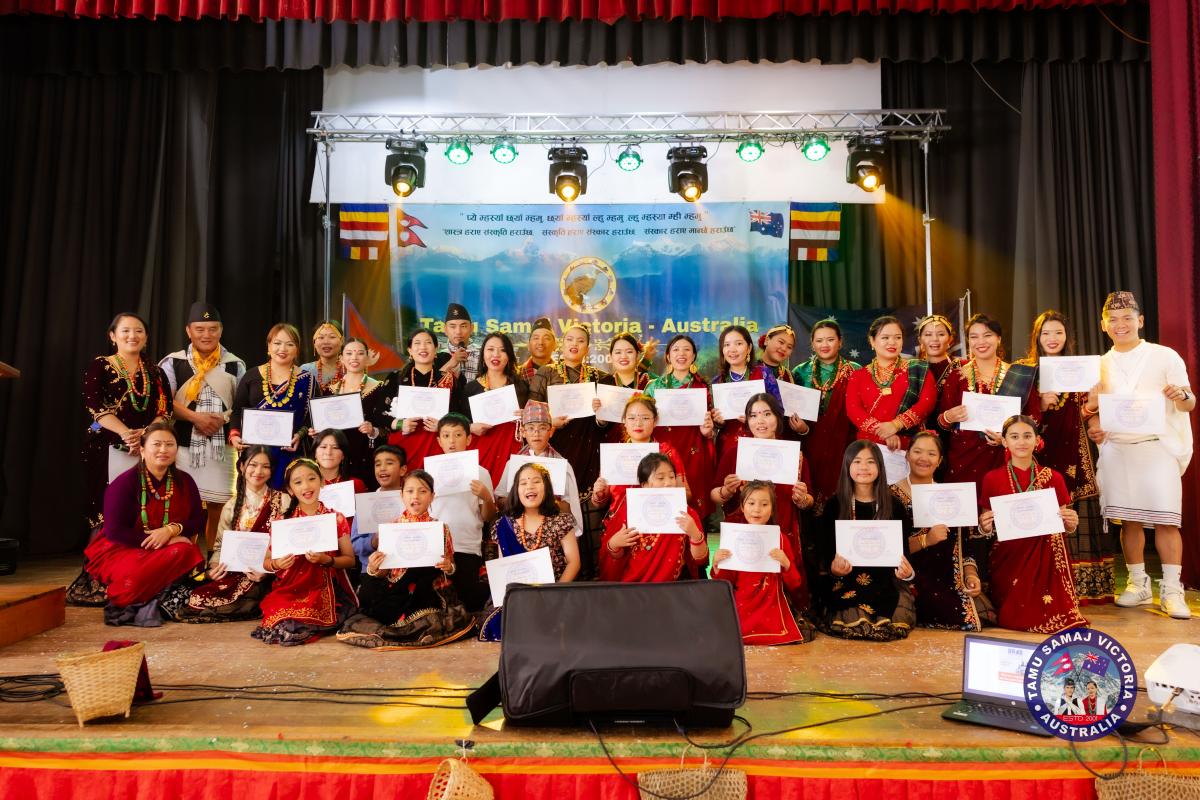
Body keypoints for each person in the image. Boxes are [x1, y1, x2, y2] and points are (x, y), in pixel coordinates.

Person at [1085, 291, 1194, 619]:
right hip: (1117, 449)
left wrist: (1181, 394)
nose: (1121, 325)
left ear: (1140, 321)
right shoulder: (1099, 364)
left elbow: (1189, 403)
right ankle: (1138, 584)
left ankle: (1172, 590)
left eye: (1127, 318)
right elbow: (1091, 410)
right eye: (1113, 320)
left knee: (1166, 520)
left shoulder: (1165, 356)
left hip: (1157, 446)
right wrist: (1094, 424)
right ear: (1103, 325)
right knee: (1128, 520)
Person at [1023, 310, 1112, 605]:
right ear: (1037, 337)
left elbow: (1084, 414)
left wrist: (1093, 406)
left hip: (1074, 452)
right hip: (1036, 454)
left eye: (1058, 332)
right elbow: (1014, 417)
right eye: (1046, 333)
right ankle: (1044, 585)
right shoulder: (1026, 371)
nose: (1052, 338)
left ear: (1067, 337)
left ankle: (1081, 588)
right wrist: (1039, 404)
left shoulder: (1082, 370)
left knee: (1075, 514)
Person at [82, 422, 205, 626]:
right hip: (123, 548)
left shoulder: (185, 481)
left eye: (169, 444)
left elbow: (198, 520)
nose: (163, 450)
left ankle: (146, 599)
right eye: (157, 444)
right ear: (141, 450)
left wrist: (171, 530)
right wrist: (164, 540)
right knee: (131, 582)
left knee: (185, 550)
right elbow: (115, 531)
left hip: (166, 550)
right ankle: (144, 598)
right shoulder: (124, 483)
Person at [338, 469, 473, 649]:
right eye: (410, 491)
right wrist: (373, 568)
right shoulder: (390, 528)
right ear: (402, 495)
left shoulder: (441, 529)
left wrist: (449, 567)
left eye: (422, 491)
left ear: (432, 496)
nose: (415, 496)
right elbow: (384, 573)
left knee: (427, 596)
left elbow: (450, 566)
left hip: (427, 590)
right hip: (396, 592)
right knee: (373, 597)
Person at [977, 415, 1088, 633]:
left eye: (1027, 436)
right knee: (1011, 616)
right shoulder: (992, 478)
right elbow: (986, 525)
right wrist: (984, 526)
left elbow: (1063, 524)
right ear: (1004, 441)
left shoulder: (1054, 478)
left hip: (1045, 555)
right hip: (1008, 556)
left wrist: (1071, 523)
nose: (1021, 442)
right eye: (1014, 437)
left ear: (1037, 440)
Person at [710, 393, 814, 605]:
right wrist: (726, 491)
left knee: (783, 590)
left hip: (783, 531)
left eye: (767, 414)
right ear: (747, 420)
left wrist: (802, 498)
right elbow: (714, 495)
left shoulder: (794, 455)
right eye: (754, 415)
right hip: (743, 533)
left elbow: (809, 500)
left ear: (778, 417)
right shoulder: (734, 453)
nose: (760, 421)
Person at [159, 301, 247, 549]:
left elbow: (242, 404)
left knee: (220, 505)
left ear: (221, 330)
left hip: (223, 448)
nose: (206, 334)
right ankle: (186, 556)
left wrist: (223, 418)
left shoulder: (235, 364)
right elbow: (164, 402)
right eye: (200, 329)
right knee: (186, 505)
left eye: (212, 329)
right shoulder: (173, 362)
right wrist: (196, 417)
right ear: (189, 331)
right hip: (183, 445)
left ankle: (213, 557)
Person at [889, 431, 994, 630]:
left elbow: (964, 545)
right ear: (907, 455)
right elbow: (889, 549)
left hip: (947, 581)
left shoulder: (951, 496)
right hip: (907, 577)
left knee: (976, 617)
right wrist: (926, 540)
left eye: (931, 454)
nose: (924, 458)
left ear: (939, 460)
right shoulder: (890, 495)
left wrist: (970, 575)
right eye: (917, 452)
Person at [814, 440, 917, 641]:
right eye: (857, 461)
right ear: (847, 465)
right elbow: (826, 554)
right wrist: (834, 569)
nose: (864, 467)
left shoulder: (894, 506)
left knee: (893, 616)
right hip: (846, 581)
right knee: (854, 616)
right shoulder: (835, 505)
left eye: (870, 462)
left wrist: (907, 573)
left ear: (880, 466)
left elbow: (904, 554)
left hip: (886, 582)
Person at [178, 446, 290, 623]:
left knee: (249, 593)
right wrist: (214, 568)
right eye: (253, 465)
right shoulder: (231, 506)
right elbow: (220, 546)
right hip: (238, 571)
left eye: (265, 466)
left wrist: (268, 570)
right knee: (198, 597)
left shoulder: (283, 500)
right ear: (242, 466)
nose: (258, 471)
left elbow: (288, 544)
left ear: (272, 471)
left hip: (272, 570)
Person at [253, 458, 358, 645]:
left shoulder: (335, 518)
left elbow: (350, 560)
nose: (306, 486)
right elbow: (266, 562)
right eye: (298, 482)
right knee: (282, 616)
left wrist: (327, 560)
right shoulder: (283, 522)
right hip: (289, 589)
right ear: (290, 490)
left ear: (322, 482)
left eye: (311, 479)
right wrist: (277, 564)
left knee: (298, 622)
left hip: (323, 588)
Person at [82, 312, 171, 529]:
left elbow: (165, 410)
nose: (133, 335)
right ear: (113, 336)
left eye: (139, 331)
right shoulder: (101, 365)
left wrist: (146, 434)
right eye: (126, 331)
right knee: (107, 504)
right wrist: (126, 434)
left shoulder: (156, 372)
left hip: (148, 445)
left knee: (143, 503)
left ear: (146, 337)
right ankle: (102, 549)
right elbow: (95, 406)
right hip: (105, 442)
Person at [478, 462, 582, 641]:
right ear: (516, 490)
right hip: (519, 596)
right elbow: (505, 567)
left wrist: (555, 592)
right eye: (524, 483)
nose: (530, 486)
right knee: (500, 625)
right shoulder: (503, 525)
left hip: (554, 591)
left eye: (536, 481)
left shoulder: (561, 521)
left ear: (546, 487)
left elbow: (574, 562)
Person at [937, 314, 1039, 485]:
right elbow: (941, 422)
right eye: (974, 337)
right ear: (969, 341)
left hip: (1005, 458)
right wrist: (949, 417)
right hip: (964, 460)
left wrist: (1008, 438)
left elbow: (1033, 418)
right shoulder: (956, 376)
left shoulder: (1017, 375)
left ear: (998, 338)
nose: (981, 342)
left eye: (987, 335)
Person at [711, 481, 813, 645]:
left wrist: (786, 563)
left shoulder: (780, 539)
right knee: (731, 634)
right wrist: (716, 564)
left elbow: (795, 583)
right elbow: (725, 582)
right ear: (742, 507)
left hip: (771, 602)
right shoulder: (733, 538)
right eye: (751, 503)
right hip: (743, 602)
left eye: (764, 504)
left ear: (772, 508)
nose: (757, 509)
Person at [229, 323, 317, 488]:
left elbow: (313, 419)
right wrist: (234, 436)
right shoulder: (251, 376)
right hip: (255, 456)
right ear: (269, 347)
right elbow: (237, 411)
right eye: (277, 343)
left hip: (290, 455)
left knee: (287, 499)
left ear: (297, 350)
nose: (282, 349)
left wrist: (300, 435)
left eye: (289, 344)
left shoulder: (308, 380)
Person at [598, 452, 709, 582]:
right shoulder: (629, 512)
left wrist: (695, 534)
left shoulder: (686, 514)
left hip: (674, 586)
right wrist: (614, 544)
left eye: (672, 477)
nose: (668, 483)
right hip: (635, 586)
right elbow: (618, 556)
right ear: (644, 485)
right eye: (661, 478)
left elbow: (701, 559)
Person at [528, 323, 609, 497]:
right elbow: (532, 412)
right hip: (554, 442)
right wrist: (550, 422)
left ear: (587, 349)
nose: (575, 344)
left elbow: (606, 425)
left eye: (580, 341)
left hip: (586, 447)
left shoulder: (600, 377)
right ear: (561, 344)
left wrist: (601, 416)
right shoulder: (546, 372)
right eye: (570, 339)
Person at [792, 319, 860, 514]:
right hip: (809, 444)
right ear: (812, 344)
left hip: (844, 444)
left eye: (830, 339)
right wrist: (800, 428)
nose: (825, 345)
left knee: (841, 498)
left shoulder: (855, 370)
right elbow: (792, 411)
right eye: (819, 340)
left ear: (840, 342)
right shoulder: (800, 372)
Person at [645, 334, 717, 517]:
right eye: (676, 349)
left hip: (695, 451)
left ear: (693, 356)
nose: (681, 354)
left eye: (687, 349)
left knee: (695, 503)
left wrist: (708, 431)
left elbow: (713, 425)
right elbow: (643, 419)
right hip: (663, 451)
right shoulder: (654, 387)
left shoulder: (704, 387)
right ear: (668, 355)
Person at [430, 413, 497, 611]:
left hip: (467, 547)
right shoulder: (428, 474)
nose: (452, 441)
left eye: (458, 435)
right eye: (446, 435)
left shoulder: (481, 473)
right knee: (435, 603)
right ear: (439, 441)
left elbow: (488, 517)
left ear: (468, 439)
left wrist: (486, 497)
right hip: (435, 547)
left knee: (468, 602)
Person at [845, 316, 937, 451]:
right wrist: (883, 432)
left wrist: (896, 425)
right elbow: (853, 410)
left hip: (910, 446)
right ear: (872, 341)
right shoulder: (858, 375)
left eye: (898, 337)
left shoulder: (918, 369)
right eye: (885, 337)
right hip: (869, 447)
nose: (892, 342)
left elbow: (927, 403)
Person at [494, 401, 584, 529]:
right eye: (531, 428)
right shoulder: (512, 465)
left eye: (542, 428)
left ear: (551, 431)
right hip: (520, 528)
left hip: (553, 528)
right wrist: (520, 500)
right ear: (523, 432)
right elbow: (500, 499)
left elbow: (570, 507)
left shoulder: (563, 466)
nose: (536, 433)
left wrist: (547, 503)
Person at [377, 328, 457, 472]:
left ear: (436, 348)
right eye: (417, 343)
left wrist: (442, 426)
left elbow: (460, 415)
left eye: (428, 343)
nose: (423, 347)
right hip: (402, 450)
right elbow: (377, 413)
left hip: (437, 447)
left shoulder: (448, 379)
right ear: (410, 350)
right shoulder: (396, 378)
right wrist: (400, 424)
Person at [321, 338, 387, 488]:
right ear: (341, 358)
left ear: (367, 358)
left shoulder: (379, 388)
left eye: (360, 353)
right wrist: (317, 432)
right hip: (336, 459)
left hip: (366, 456)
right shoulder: (329, 390)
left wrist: (373, 431)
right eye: (349, 353)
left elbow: (386, 428)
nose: (354, 358)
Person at [710, 325, 783, 463]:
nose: (732, 349)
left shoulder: (763, 373)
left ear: (749, 348)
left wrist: (755, 419)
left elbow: (779, 410)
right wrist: (718, 422)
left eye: (738, 343)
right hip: (728, 447)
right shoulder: (717, 382)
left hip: (763, 442)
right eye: (727, 345)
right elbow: (713, 425)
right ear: (722, 350)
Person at [463, 332, 529, 484]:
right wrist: (470, 427)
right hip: (480, 451)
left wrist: (526, 416)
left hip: (511, 450)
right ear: (483, 354)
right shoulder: (470, 389)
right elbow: (458, 423)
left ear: (509, 356)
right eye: (490, 349)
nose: (496, 354)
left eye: (502, 350)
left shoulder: (521, 386)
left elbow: (532, 422)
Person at [350, 445, 408, 571]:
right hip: (372, 571)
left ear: (403, 470)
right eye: (377, 464)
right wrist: (373, 542)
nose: (382, 468)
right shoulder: (366, 503)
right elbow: (354, 544)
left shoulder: (411, 500)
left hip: (406, 570)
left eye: (389, 463)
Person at [596, 333, 655, 444]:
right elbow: (598, 429)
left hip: (645, 446)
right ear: (610, 357)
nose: (623, 356)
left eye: (629, 352)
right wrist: (600, 418)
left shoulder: (649, 383)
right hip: (613, 447)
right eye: (618, 352)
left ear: (637, 355)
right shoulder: (604, 384)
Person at [915, 314, 960, 437]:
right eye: (928, 334)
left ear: (950, 339)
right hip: (917, 437)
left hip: (952, 437)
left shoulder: (962, 368)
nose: (934, 339)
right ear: (920, 340)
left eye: (940, 334)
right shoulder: (911, 370)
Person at [436, 303, 480, 386]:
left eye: (463, 326)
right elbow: (432, 387)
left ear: (472, 328)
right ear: (445, 329)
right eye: (453, 327)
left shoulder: (483, 356)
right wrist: (451, 363)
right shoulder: (437, 357)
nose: (458, 332)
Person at [312, 428, 368, 494]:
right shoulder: (306, 484)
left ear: (343, 455)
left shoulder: (355, 485)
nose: (328, 452)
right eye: (323, 447)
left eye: (335, 447)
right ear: (315, 453)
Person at [300, 320, 345, 391]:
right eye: (321, 337)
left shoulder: (349, 369)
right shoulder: (305, 370)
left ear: (342, 341)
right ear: (314, 342)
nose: (326, 342)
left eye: (332, 337)